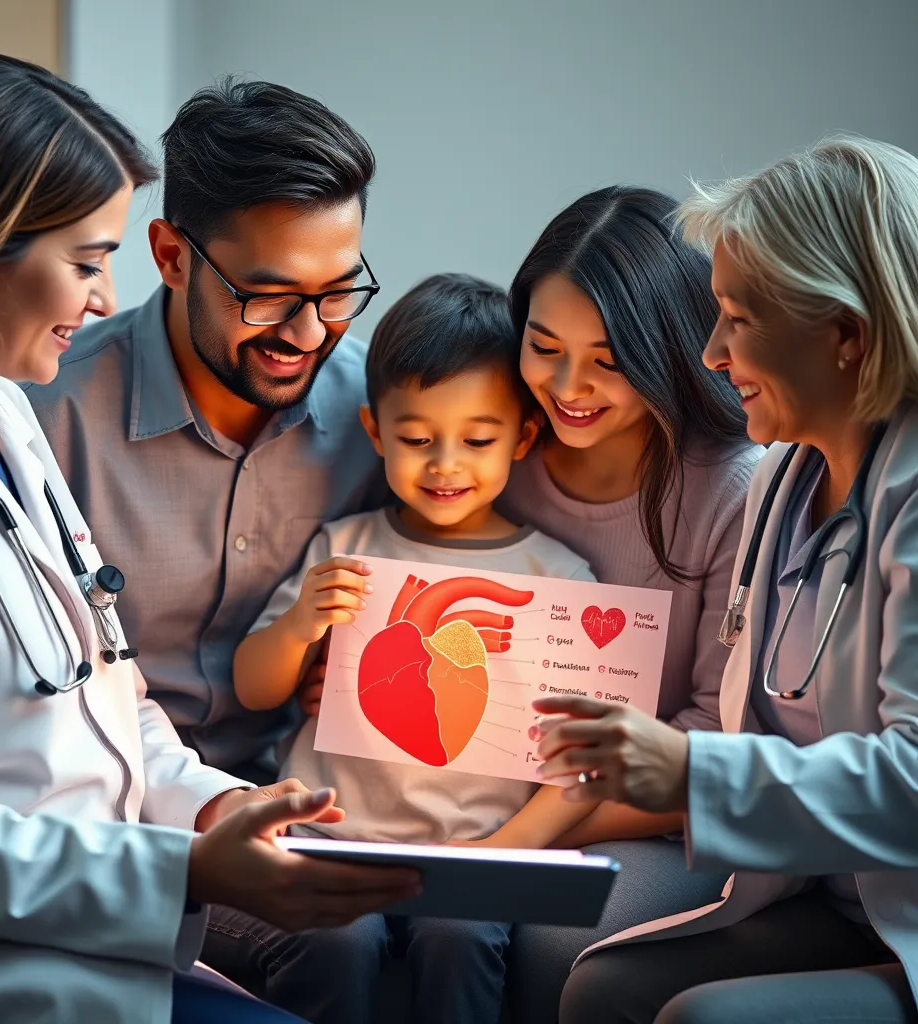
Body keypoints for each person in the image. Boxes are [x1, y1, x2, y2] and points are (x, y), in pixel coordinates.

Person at [0, 53, 419, 1024]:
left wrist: (223, 810)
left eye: (337, 291)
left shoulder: (2, 418)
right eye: (88, 263)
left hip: (108, 912)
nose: (103, 297)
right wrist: (186, 866)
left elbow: (111, 701)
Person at [534, 136, 918, 1024]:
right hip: (825, 894)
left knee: (696, 1019)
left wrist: (690, 771)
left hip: (900, 912)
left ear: (847, 335)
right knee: (602, 987)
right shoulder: (785, 480)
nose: (710, 352)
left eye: (738, 320)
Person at [217, 274, 597, 1024]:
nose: (445, 464)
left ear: (523, 436)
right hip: (333, 839)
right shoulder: (348, 548)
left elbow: (583, 758)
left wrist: (508, 851)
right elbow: (251, 687)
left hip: (473, 854)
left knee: (460, 939)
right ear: (374, 432)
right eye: (417, 439)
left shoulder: (558, 578)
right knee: (335, 945)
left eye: (478, 440)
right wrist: (299, 629)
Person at [24, 77, 388, 786]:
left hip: (305, 796)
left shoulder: (382, 419)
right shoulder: (43, 418)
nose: (310, 332)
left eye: (339, 292)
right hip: (98, 803)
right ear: (170, 258)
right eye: (268, 296)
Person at [494, 186, 763, 1022]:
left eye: (609, 360)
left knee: (546, 932)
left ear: (671, 348)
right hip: (477, 783)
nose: (568, 386)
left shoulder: (733, 485)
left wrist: (511, 846)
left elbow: (709, 734)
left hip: (645, 816)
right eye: (544, 347)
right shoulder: (493, 444)